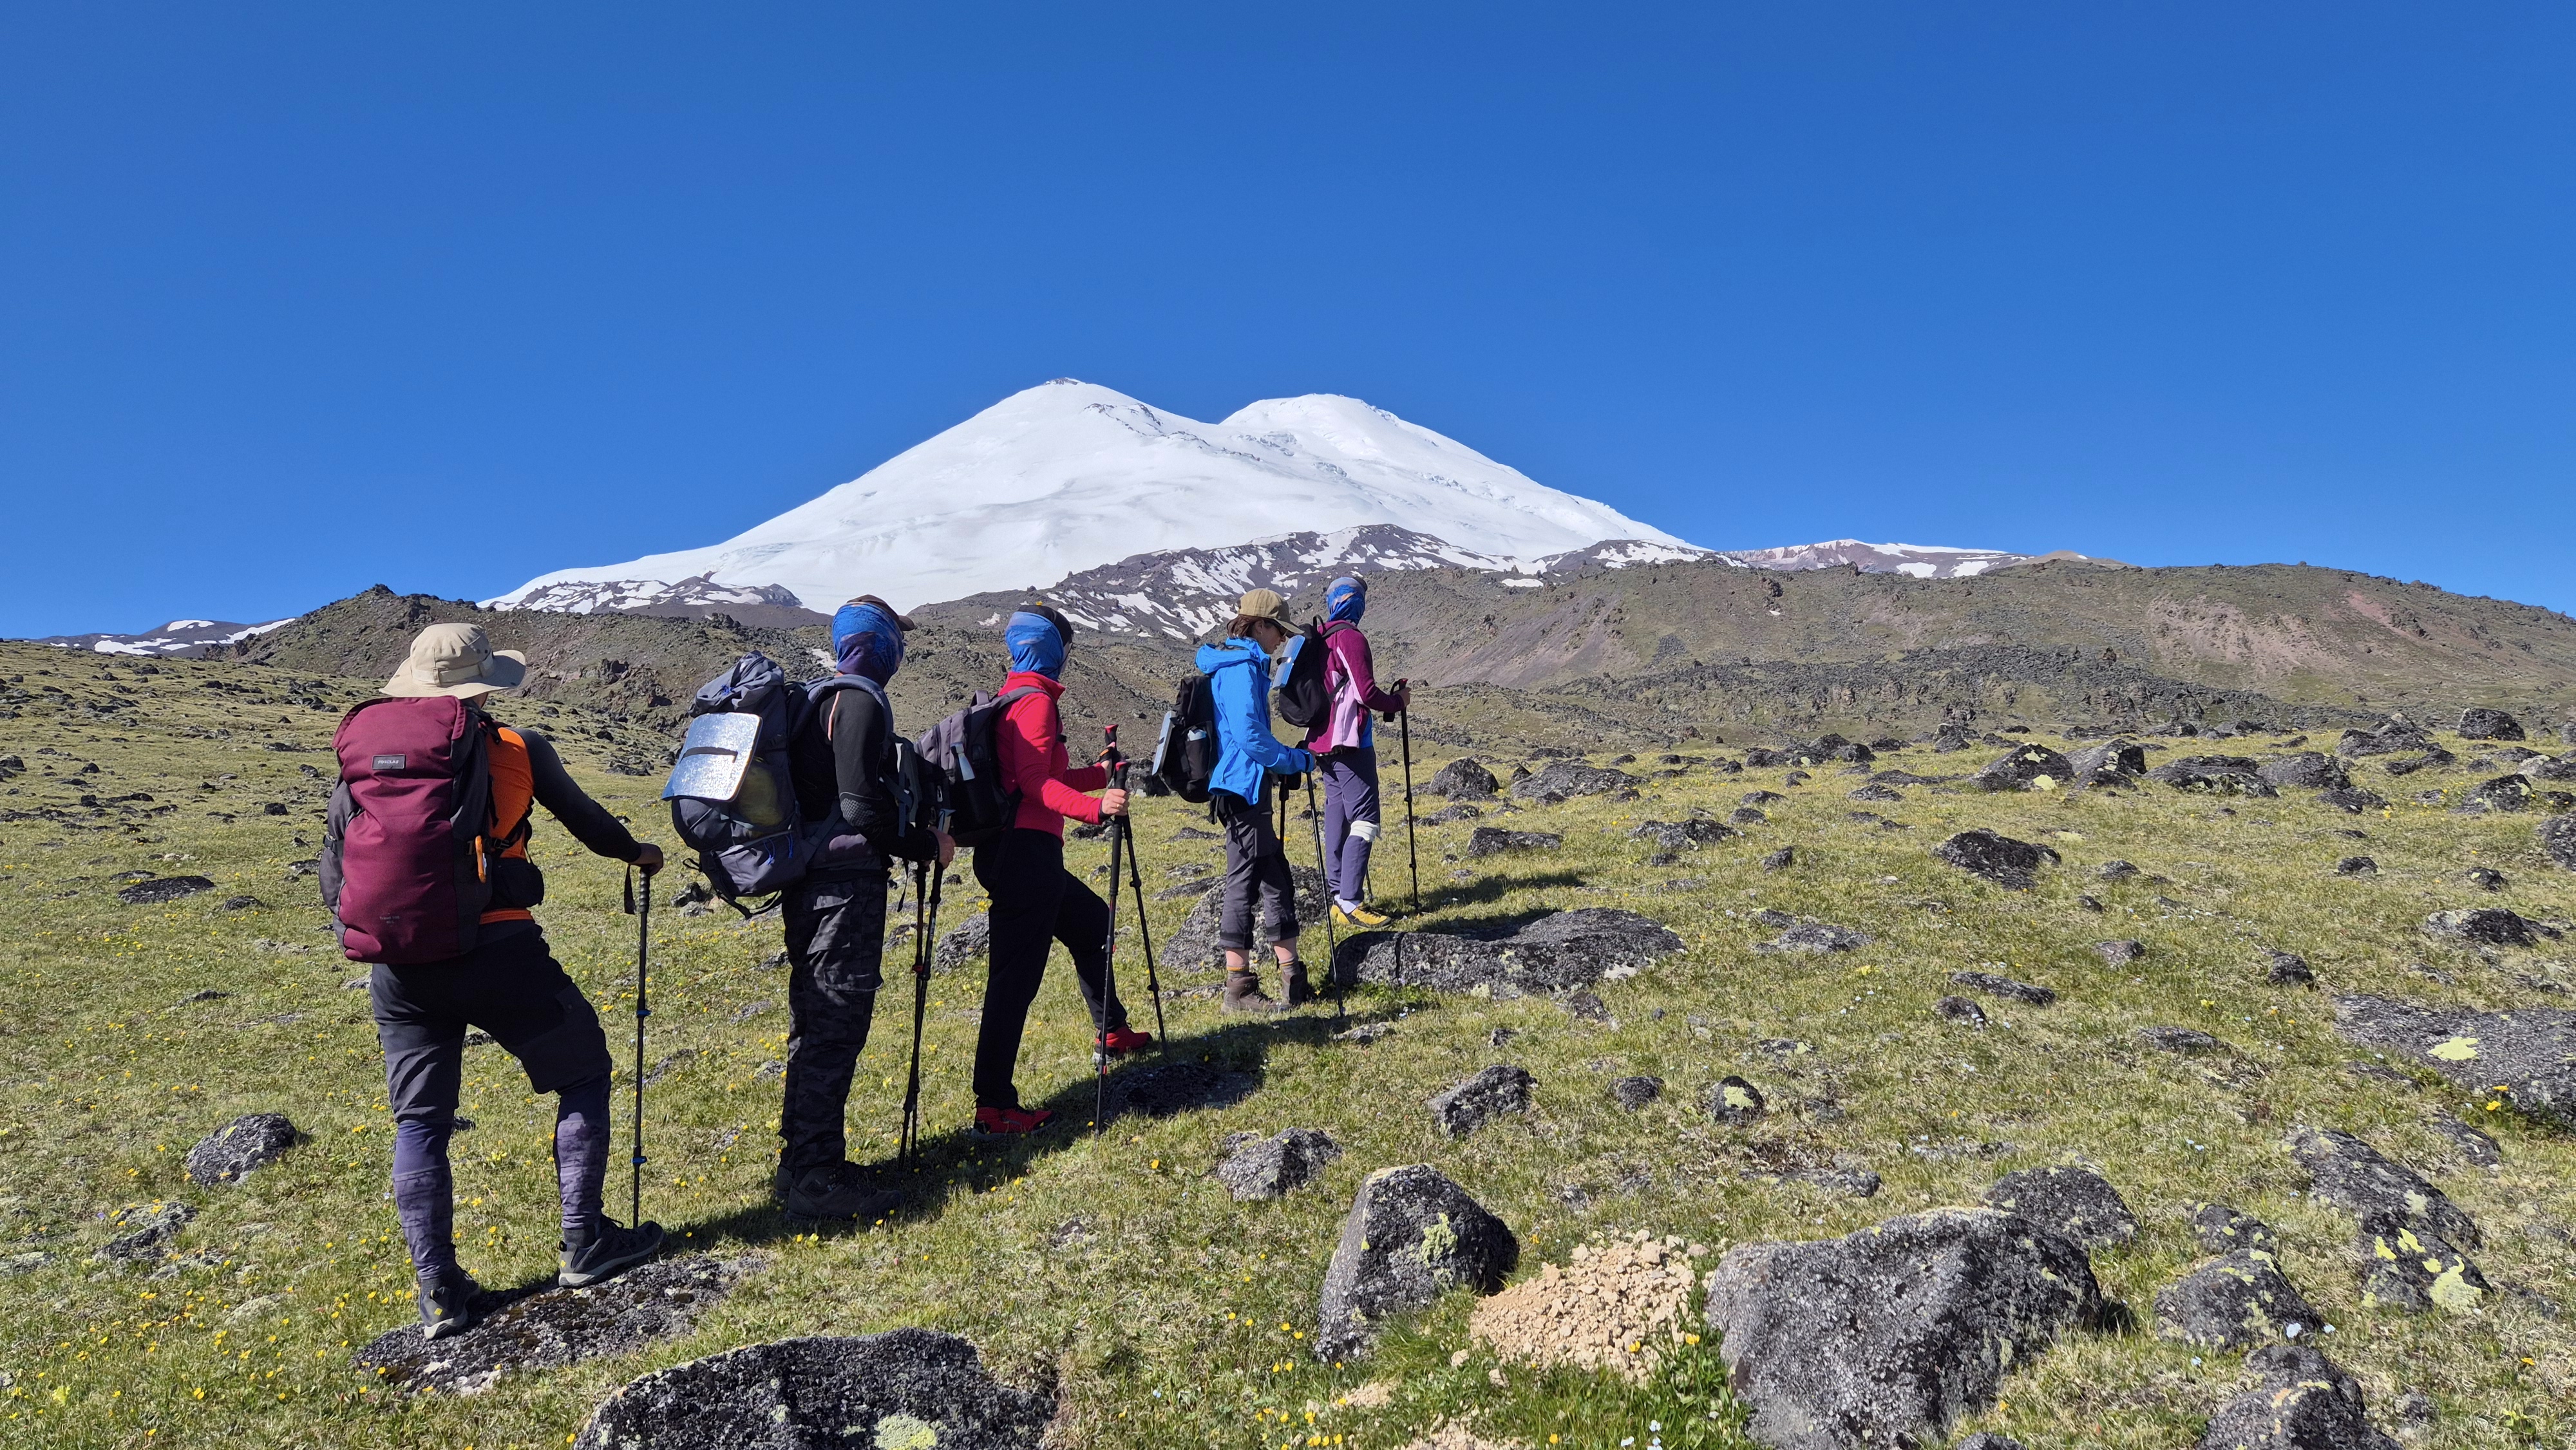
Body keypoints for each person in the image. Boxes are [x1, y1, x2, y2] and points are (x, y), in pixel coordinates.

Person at [342, 623, 665, 1342]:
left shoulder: (371, 757)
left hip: (403, 963)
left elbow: (340, 852)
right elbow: (587, 822)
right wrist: (638, 852)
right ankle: (584, 1239)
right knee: (584, 1070)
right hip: (501, 949)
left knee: (420, 1122)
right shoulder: (518, 745)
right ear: (483, 686)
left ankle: (439, 1291)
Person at [772, 596, 954, 1218]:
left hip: (811, 883)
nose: (901, 651)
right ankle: (817, 1177)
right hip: (843, 890)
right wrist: (926, 844)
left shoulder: (819, 700)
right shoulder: (859, 701)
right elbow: (859, 807)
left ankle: (801, 1163)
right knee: (835, 1024)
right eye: (895, 638)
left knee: (815, 1021)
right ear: (878, 643)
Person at [967, 603, 1140, 1135]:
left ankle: (1112, 1031)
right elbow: (1034, 784)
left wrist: (1099, 774)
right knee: (1014, 982)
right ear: (1054, 649)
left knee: (1091, 924)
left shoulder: (1011, 697)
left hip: (1014, 852)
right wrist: (1097, 808)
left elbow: (1041, 774)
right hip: (1026, 855)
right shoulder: (1037, 703)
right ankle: (994, 1107)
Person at [1195, 588, 1321, 1012]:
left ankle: (1292, 978)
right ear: (1261, 625)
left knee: (1275, 878)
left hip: (1244, 785)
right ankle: (1239, 989)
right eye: (1279, 631)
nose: (1282, 640)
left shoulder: (1240, 663)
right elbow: (1251, 737)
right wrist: (1294, 760)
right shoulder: (1241, 668)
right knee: (1244, 882)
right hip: (1243, 788)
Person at [1300, 576, 1410, 927]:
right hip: (1349, 741)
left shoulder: (1320, 637)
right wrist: (1398, 702)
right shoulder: (1350, 637)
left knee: (1337, 814)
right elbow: (1366, 693)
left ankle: (1338, 895)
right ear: (1354, 603)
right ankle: (1350, 901)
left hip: (1320, 741)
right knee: (1365, 818)